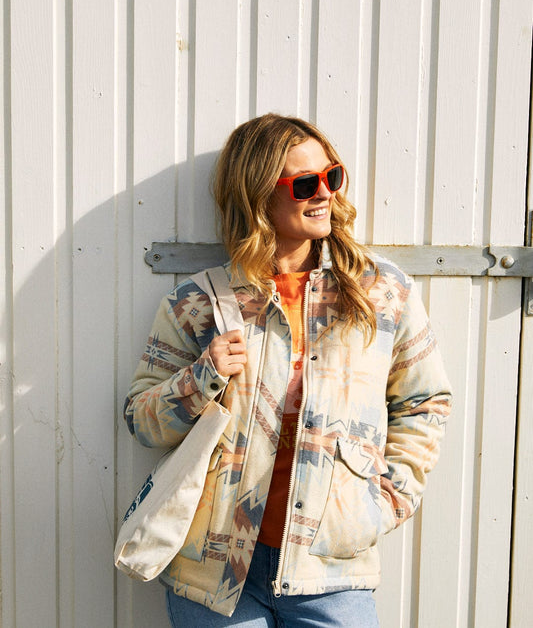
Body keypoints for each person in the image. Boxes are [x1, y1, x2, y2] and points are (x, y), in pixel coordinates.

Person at [123, 113, 452, 627]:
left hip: (330, 571)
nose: (324, 194)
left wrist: (385, 502)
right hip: (215, 570)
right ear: (258, 197)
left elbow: (425, 402)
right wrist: (201, 377)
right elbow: (141, 420)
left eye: (332, 176)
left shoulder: (382, 293)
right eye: (304, 184)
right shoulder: (199, 302)